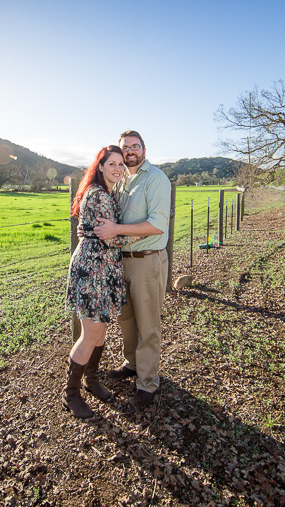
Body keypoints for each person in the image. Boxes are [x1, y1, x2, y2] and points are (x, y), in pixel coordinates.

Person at [94, 130, 171, 411]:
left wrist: (116, 230)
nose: (129, 152)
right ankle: (132, 364)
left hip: (147, 261)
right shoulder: (123, 179)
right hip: (122, 261)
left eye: (135, 146)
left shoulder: (156, 179)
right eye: (125, 147)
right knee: (127, 318)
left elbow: (157, 224)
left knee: (148, 323)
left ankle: (148, 382)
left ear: (144, 149)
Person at [63, 145, 131, 419]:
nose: (117, 169)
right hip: (93, 270)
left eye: (121, 165)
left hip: (102, 268)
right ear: (100, 166)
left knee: (100, 331)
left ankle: (91, 380)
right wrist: (144, 232)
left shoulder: (103, 193)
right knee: (90, 334)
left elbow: (106, 234)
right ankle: (70, 394)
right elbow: (113, 238)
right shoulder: (100, 196)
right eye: (112, 163)